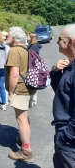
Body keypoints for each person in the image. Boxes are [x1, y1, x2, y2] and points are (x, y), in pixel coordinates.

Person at [5, 27, 36, 163]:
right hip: (29, 88)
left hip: (20, 90)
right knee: (25, 117)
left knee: (21, 119)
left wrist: (11, 92)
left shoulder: (14, 51)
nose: (6, 37)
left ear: (13, 38)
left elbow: (15, 73)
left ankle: (26, 152)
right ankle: (23, 139)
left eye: (8, 35)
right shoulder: (27, 49)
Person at [50, 24, 75, 167]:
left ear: (70, 41)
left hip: (69, 138)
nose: (57, 42)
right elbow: (61, 92)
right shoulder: (70, 65)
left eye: (60, 39)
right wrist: (55, 71)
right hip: (64, 133)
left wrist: (67, 136)